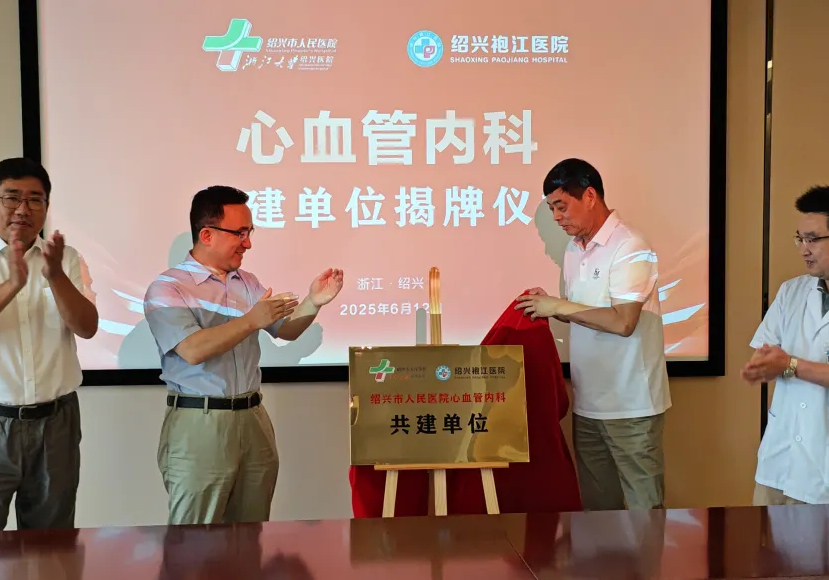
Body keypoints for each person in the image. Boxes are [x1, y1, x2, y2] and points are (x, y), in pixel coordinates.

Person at [143, 185, 343, 525]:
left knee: (252, 533)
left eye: (249, 232)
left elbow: (285, 330)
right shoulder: (168, 288)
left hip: (252, 419)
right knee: (195, 539)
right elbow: (192, 349)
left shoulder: (246, 282)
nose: (247, 243)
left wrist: (314, 302)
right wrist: (251, 320)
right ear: (206, 234)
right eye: (239, 233)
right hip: (200, 421)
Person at [515, 158, 670, 510]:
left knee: (644, 512)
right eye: (552, 209)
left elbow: (622, 322)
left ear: (589, 196)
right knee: (598, 514)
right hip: (588, 404)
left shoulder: (630, 245)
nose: (557, 217)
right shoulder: (574, 250)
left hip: (631, 405)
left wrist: (558, 306)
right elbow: (586, 315)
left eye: (561, 206)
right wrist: (549, 306)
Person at [0, 157, 98, 529]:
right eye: (12, 197)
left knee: (51, 542)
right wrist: (13, 284)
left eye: (34, 199)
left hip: (56, 421)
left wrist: (55, 276)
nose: (22, 209)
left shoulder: (66, 259)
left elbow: (86, 327)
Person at [741, 184, 829, 505]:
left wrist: (789, 365)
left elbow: (784, 361)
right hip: (781, 457)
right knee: (764, 535)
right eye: (799, 239)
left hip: (823, 466)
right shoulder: (791, 292)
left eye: (813, 239)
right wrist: (761, 366)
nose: (804, 249)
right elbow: (766, 353)